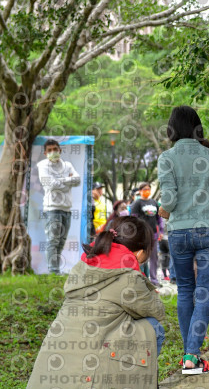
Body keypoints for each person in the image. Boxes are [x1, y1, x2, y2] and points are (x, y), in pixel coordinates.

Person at [27, 216, 165, 388]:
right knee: (154, 327)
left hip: (50, 372)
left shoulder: (83, 265)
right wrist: (149, 290)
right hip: (88, 375)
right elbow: (157, 311)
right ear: (140, 252)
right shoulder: (128, 276)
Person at [157, 106, 209, 374]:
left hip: (180, 231)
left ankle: (190, 355)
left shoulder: (167, 157)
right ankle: (191, 355)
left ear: (171, 129)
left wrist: (164, 209)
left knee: (185, 290)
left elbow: (169, 199)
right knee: (205, 291)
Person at [36, 139, 80, 274]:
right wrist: (68, 180)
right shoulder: (42, 165)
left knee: (62, 241)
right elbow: (50, 185)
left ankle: (57, 269)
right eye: (49, 150)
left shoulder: (67, 165)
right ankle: (53, 270)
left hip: (66, 208)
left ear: (60, 150)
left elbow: (77, 180)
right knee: (53, 240)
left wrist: (59, 181)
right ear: (45, 153)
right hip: (52, 208)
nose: (53, 152)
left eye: (55, 149)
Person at [130, 182, 164, 286]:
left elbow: (159, 218)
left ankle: (154, 280)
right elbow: (133, 219)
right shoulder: (137, 203)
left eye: (148, 189)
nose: (147, 191)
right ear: (140, 191)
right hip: (142, 236)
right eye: (144, 189)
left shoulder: (154, 202)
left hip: (153, 235)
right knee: (141, 258)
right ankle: (141, 279)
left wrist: (161, 231)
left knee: (154, 258)